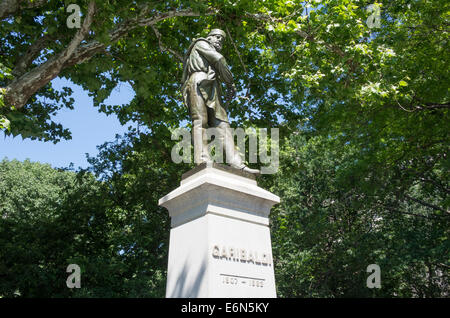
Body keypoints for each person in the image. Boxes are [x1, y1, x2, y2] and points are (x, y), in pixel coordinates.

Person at [181, 29, 260, 174]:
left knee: (223, 124)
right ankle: (203, 159)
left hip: (213, 87)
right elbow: (218, 59)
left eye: (222, 40)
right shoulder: (200, 43)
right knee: (200, 121)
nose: (219, 41)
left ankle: (237, 163)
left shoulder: (208, 48)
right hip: (198, 81)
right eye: (217, 37)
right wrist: (230, 83)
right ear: (209, 37)